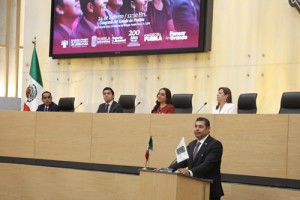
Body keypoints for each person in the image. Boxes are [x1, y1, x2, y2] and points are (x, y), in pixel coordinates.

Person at [154, 117, 224, 200]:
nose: (197, 129)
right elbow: (182, 161)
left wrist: (189, 172)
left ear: (208, 128)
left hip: (209, 190)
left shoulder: (215, 144)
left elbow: (207, 164)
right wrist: (166, 170)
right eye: (196, 126)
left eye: (201, 127)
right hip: (192, 189)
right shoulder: (192, 144)